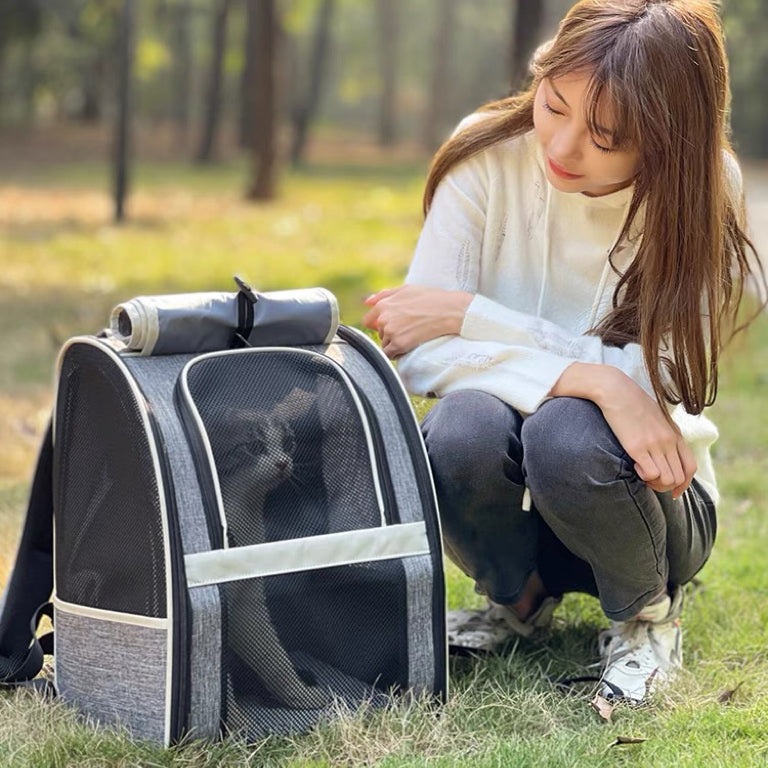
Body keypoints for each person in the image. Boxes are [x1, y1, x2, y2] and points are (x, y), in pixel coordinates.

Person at [362, 0, 766, 703]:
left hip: (646, 500)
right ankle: (517, 602)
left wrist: (471, 317)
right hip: (521, 507)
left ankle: (646, 620)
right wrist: (592, 376)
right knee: (462, 427)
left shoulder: (703, 191)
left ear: (668, 142)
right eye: (554, 105)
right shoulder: (485, 151)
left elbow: (657, 386)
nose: (562, 146)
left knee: (566, 433)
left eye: (606, 138)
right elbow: (417, 353)